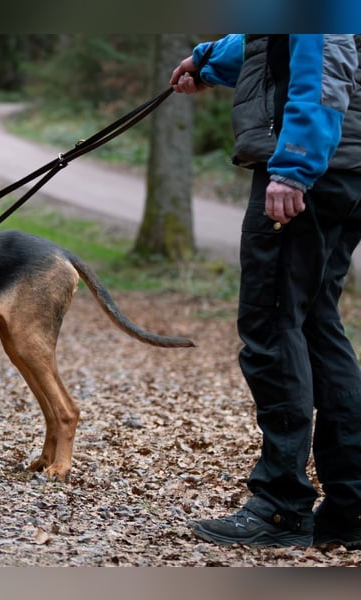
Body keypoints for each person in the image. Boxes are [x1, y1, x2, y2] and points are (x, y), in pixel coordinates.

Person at [170, 34, 361, 548]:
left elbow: (323, 65)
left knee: (272, 326)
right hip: (344, 169)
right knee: (317, 327)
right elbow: (273, 41)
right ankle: (351, 507)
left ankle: (281, 507)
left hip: (311, 170)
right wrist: (207, 61)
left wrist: (294, 168)